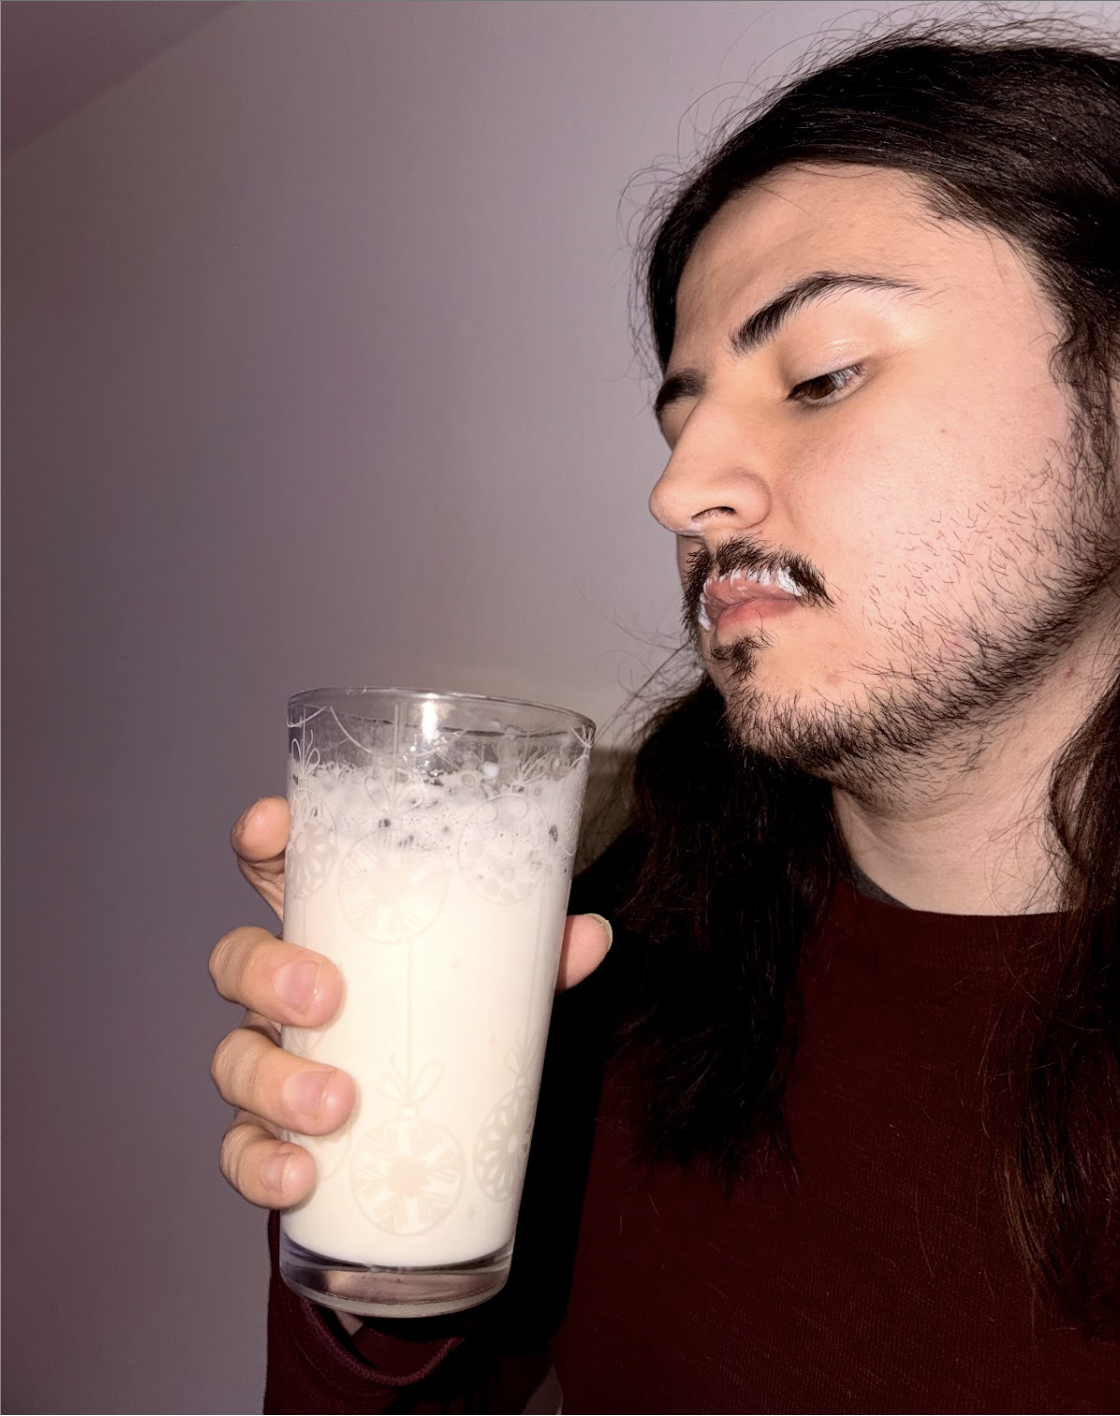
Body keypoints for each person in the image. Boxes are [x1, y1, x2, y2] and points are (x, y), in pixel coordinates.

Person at [209, 21, 1120, 1413]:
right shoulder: (607, 952)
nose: (681, 493)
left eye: (818, 375)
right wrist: (366, 1230)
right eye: (676, 422)